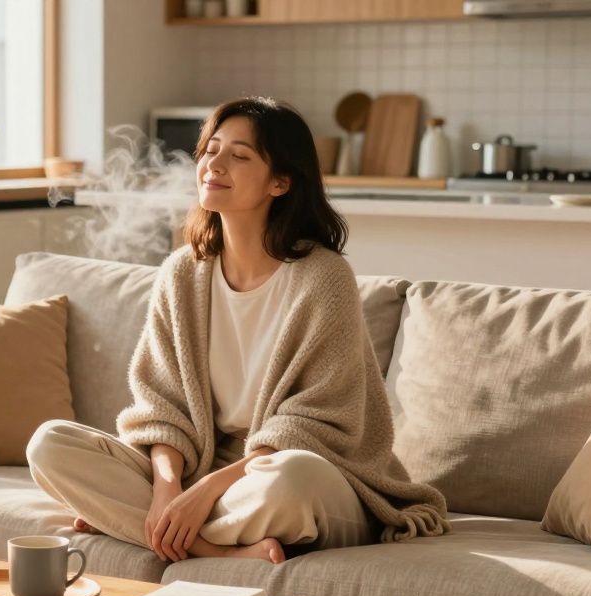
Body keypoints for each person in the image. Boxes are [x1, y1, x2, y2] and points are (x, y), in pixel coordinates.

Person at [27, 97, 449, 564]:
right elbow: (162, 407)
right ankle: (214, 548)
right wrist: (168, 488)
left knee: (290, 480)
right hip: (203, 469)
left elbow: (317, 425)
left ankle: (134, 525)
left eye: (240, 155)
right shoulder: (182, 274)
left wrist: (206, 490)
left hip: (302, 474)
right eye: (211, 149)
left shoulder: (323, 279)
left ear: (281, 182)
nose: (214, 164)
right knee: (51, 444)